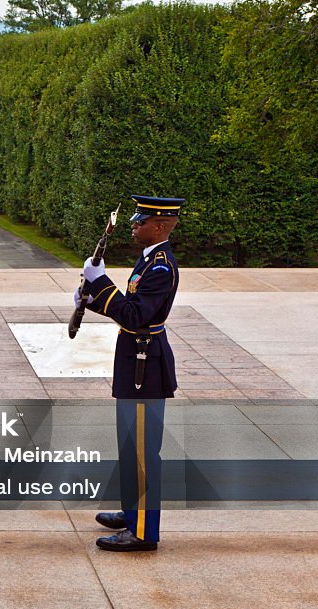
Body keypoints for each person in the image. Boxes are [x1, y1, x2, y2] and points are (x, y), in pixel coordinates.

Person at [77, 195, 184, 552]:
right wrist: (94, 298)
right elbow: (130, 308)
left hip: (145, 366)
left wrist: (100, 283)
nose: (134, 225)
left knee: (141, 452)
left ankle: (141, 532)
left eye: (141, 221)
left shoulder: (160, 267)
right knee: (131, 446)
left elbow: (136, 317)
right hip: (135, 359)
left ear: (160, 226)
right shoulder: (148, 259)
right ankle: (132, 511)